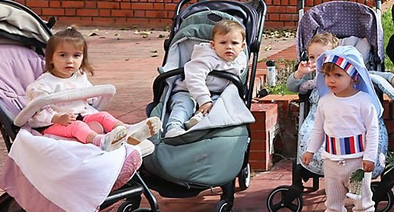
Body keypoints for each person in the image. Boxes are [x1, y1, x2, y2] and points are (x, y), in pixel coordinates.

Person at [25, 26, 159, 150]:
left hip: (81, 116)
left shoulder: (79, 76)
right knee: (78, 126)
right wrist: (57, 118)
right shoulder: (43, 84)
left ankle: (128, 131)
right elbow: (37, 109)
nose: (70, 60)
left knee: (103, 116)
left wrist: (92, 97)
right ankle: (101, 141)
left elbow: (90, 96)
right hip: (53, 125)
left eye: (76, 55)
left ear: (82, 58)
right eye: (63, 55)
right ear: (50, 59)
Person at [302, 47, 383, 212]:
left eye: (338, 75)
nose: (331, 80)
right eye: (328, 75)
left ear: (353, 76)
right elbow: (318, 129)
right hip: (332, 161)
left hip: (357, 162)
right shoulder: (325, 101)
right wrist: (311, 150)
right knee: (333, 200)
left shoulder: (364, 102)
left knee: (362, 200)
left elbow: (373, 131)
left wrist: (369, 156)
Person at [165, 18, 248, 138]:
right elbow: (194, 77)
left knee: (221, 105)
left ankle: (199, 119)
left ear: (242, 46)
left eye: (234, 43)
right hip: (186, 91)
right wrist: (204, 99)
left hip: (216, 93)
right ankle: (174, 127)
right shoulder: (206, 57)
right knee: (183, 105)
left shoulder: (240, 59)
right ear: (213, 45)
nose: (229, 47)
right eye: (223, 43)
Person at [286, 31, 339, 96]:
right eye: (312, 57)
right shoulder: (310, 74)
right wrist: (300, 73)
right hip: (316, 105)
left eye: (321, 57)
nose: (316, 60)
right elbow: (291, 87)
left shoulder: (338, 72)